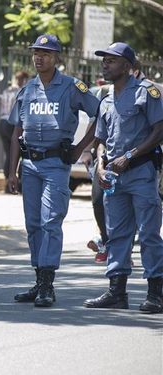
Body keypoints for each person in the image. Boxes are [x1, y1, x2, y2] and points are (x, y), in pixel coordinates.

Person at [6, 35, 99, 308]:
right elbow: (15, 133)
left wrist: (81, 147)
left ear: (57, 58)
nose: (39, 57)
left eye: (46, 53)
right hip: (31, 165)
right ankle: (38, 279)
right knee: (33, 224)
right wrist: (11, 172)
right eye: (36, 52)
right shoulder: (27, 90)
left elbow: (100, 114)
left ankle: (48, 283)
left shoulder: (71, 87)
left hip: (57, 164)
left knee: (50, 221)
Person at [83, 42, 163, 313]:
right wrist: (101, 166)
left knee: (150, 234)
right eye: (104, 60)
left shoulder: (146, 92)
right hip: (114, 178)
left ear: (127, 66)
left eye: (111, 60)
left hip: (141, 173)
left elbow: (159, 130)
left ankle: (155, 293)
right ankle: (117, 292)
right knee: (117, 235)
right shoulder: (106, 100)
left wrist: (130, 156)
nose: (105, 64)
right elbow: (101, 140)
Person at [0, 71, 29, 188]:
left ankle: (7, 182)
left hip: (2, 121)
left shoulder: (6, 90)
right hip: (12, 122)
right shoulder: (19, 92)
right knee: (19, 152)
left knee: (9, 153)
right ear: (23, 80)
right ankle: (19, 181)